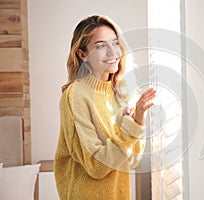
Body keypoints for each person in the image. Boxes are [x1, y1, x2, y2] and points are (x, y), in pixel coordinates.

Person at [54, 15, 156, 200]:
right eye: (100, 45)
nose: (112, 52)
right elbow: (96, 166)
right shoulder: (75, 95)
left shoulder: (120, 93)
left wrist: (137, 122)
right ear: (82, 54)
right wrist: (128, 131)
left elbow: (131, 161)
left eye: (115, 43)